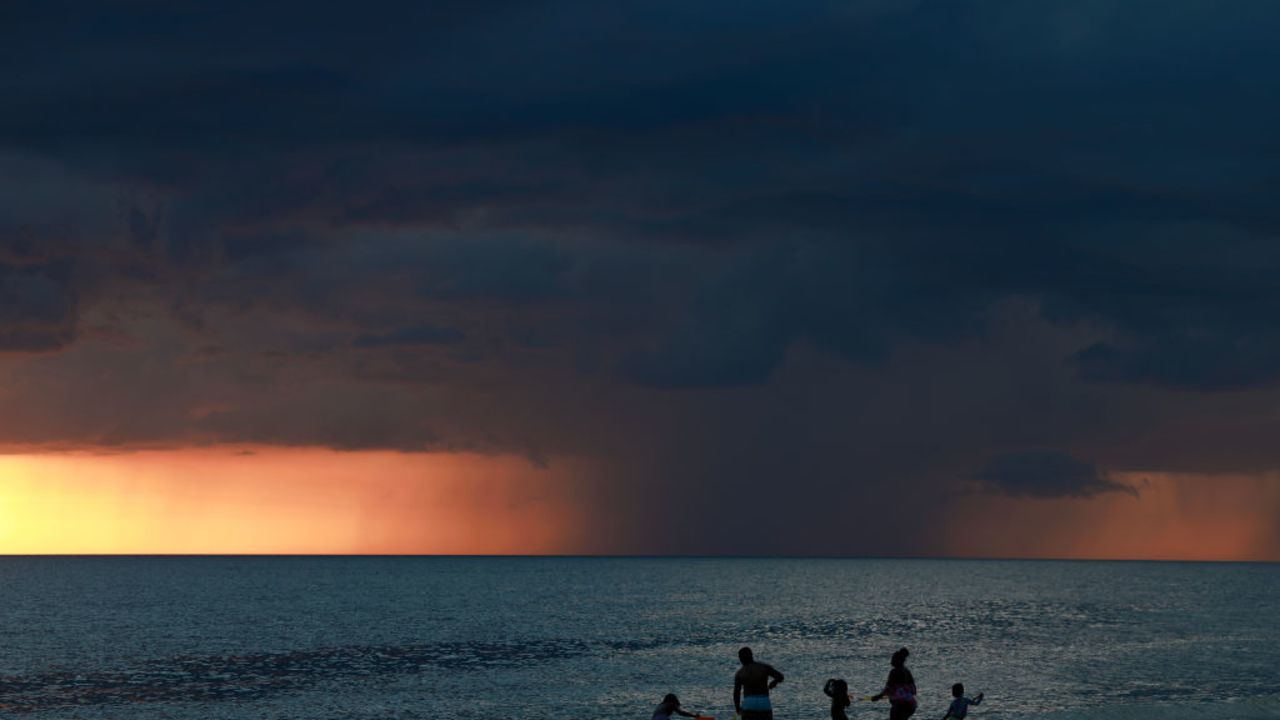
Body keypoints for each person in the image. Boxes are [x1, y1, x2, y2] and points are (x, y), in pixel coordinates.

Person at [734, 646, 784, 720]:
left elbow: (736, 693)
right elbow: (780, 676)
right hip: (764, 702)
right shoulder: (763, 667)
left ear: (741, 659)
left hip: (749, 703)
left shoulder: (740, 673)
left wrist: (738, 708)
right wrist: (774, 682)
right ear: (751, 655)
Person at [869, 647, 917, 720]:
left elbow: (889, 688)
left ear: (898, 661)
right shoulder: (907, 671)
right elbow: (914, 690)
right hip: (911, 704)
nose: (891, 661)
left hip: (899, 705)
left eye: (893, 659)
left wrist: (877, 697)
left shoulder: (894, 672)